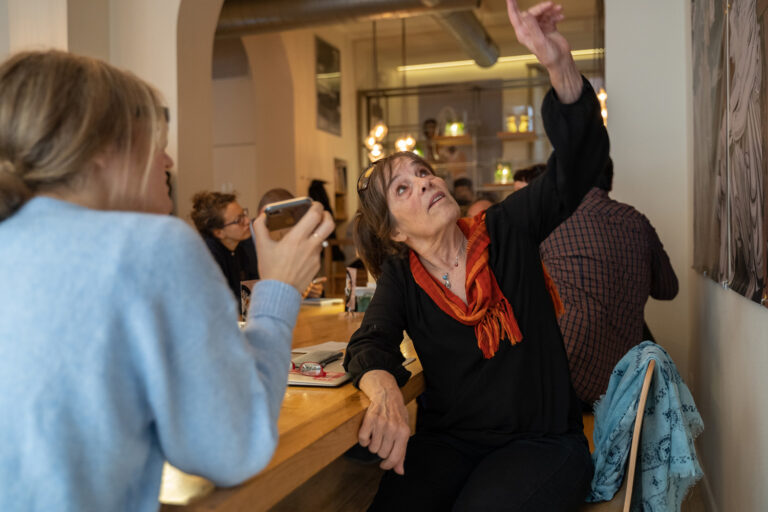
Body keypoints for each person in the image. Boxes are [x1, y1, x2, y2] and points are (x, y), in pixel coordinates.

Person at [0, 50, 334, 511]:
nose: (169, 159)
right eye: (155, 142)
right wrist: (280, 291)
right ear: (99, 150)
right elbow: (233, 444)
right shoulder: (150, 246)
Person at [343, 1, 609, 509]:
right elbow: (370, 344)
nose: (425, 182)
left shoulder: (506, 228)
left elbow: (579, 165)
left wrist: (558, 65)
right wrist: (384, 394)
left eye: (423, 173)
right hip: (450, 444)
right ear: (395, 232)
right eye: (403, 189)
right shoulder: (404, 274)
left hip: (543, 442)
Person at [539, 161, 679, 407]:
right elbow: (668, 289)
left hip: (568, 382)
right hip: (628, 381)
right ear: (610, 181)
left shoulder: (551, 222)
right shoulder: (637, 221)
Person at [191, 191, 259, 302]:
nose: (247, 221)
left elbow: (250, 293)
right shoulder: (207, 257)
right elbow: (220, 303)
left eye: (244, 214)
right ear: (219, 233)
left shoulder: (243, 245)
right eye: (239, 220)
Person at [257, 187, 325, 298]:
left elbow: (313, 283)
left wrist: (313, 290)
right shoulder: (244, 248)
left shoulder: (295, 243)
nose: (290, 227)